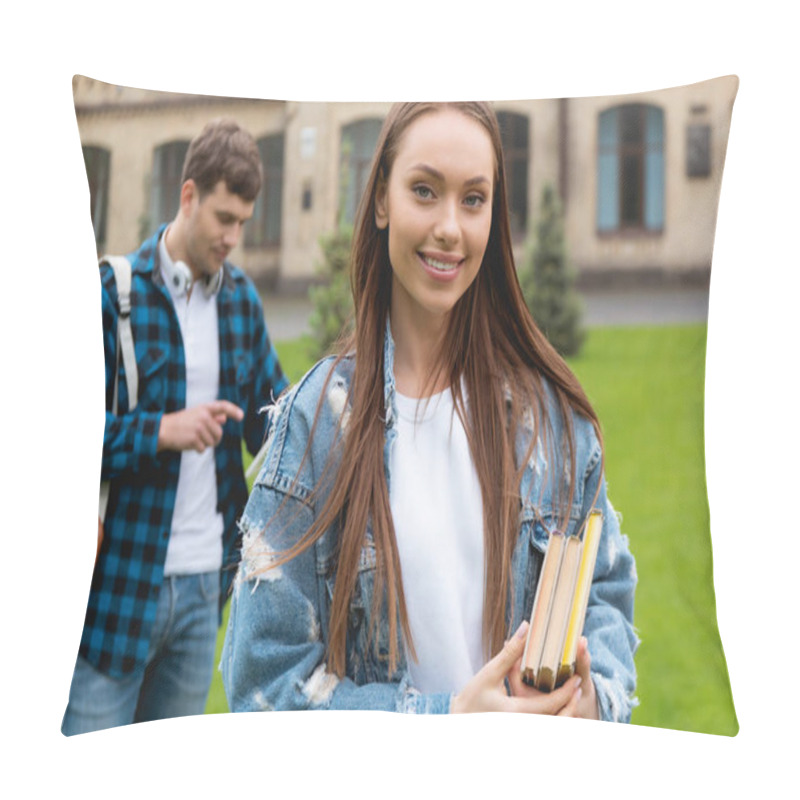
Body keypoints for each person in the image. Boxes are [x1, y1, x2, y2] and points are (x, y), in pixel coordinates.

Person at [221, 102, 637, 720]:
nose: (450, 227)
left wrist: (592, 700)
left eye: (474, 199)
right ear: (383, 201)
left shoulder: (546, 416)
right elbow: (263, 687)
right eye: (424, 190)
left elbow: (604, 590)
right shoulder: (315, 427)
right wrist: (448, 722)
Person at [62, 118, 289, 735]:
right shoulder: (114, 294)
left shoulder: (241, 300)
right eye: (223, 217)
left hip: (202, 591)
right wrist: (163, 430)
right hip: (117, 589)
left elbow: (278, 419)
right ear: (187, 196)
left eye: (244, 222)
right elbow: (61, 441)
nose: (234, 237)